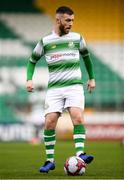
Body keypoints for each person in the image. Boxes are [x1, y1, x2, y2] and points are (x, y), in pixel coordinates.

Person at [26, 6, 96, 173]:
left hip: (74, 86)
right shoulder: (45, 41)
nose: (71, 23)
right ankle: (49, 161)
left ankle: (80, 153)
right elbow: (32, 60)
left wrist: (91, 78)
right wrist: (29, 79)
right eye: (68, 20)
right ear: (58, 20)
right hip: (55, 89)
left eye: (72, 20)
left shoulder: (78, 38)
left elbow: (86, 57)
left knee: (77, 117)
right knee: (49, 122)